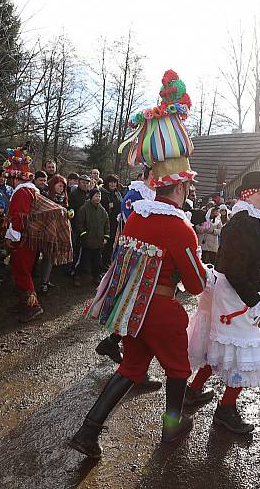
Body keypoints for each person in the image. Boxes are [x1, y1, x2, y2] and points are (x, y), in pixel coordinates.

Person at [71, 70, 206, 457]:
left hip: (131, 307)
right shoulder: (180, 228)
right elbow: (195, 284)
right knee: (179, 370)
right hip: (161, 310)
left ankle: (88, 431)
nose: (188, 193)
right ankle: (172, 427)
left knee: (130, 368)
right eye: (188, 187)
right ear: (178, 186)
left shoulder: (135, 216)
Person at [185, 171, 260, 434]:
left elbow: (248, 268)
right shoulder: (244, 222)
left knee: (220, 344)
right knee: (241, 352)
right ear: (247, 195)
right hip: (233, 293)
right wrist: (254, 301)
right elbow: (236, 271)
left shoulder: (250, 219)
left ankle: (192, 392)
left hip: (233, 289)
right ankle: (226, 410)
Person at [93, 164, 156, 366]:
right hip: (134, 257)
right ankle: (129, 359)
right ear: (152, 174)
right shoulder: (134, 195)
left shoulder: (151, 194)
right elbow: (135, 227)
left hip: (146, 257)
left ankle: (114, 343)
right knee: (129, 301)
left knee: (136, 304)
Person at [3, 147, 73, 323]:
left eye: (10, 178)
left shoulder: (22, 191)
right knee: (21, 271)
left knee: (21, 272)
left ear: (14, 177)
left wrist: (13, 236)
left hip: (24, 240)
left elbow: (20, 216)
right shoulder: (31, 190)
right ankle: (24, 302)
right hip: (29, 239)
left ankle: (32, 306)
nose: (8, 181)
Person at [73, 189, 110, 287]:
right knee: (82, 260)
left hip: (98, 241)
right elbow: (79, 223)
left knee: (97, 261)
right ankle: (77, 276)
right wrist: (84, 235)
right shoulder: (84, 208)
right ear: (91, 196)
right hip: (86, 241)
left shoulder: (102, 210)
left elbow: (107, 224)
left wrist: (106, 236)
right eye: (96, 196)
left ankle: (96, 277)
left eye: (99, 196)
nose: (98, 198)